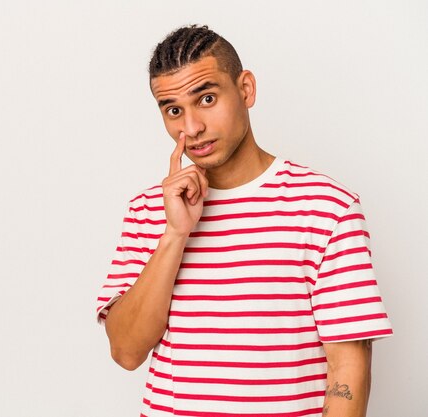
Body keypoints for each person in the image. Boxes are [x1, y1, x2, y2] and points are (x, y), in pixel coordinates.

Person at [95, 24, 393, 417]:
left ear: (246, 89)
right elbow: (127, 351)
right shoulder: (148, 210)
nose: (191, 127)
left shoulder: (327, 207)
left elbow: (348, 368)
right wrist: (175, 234)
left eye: (206, 98)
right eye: (173, 110)